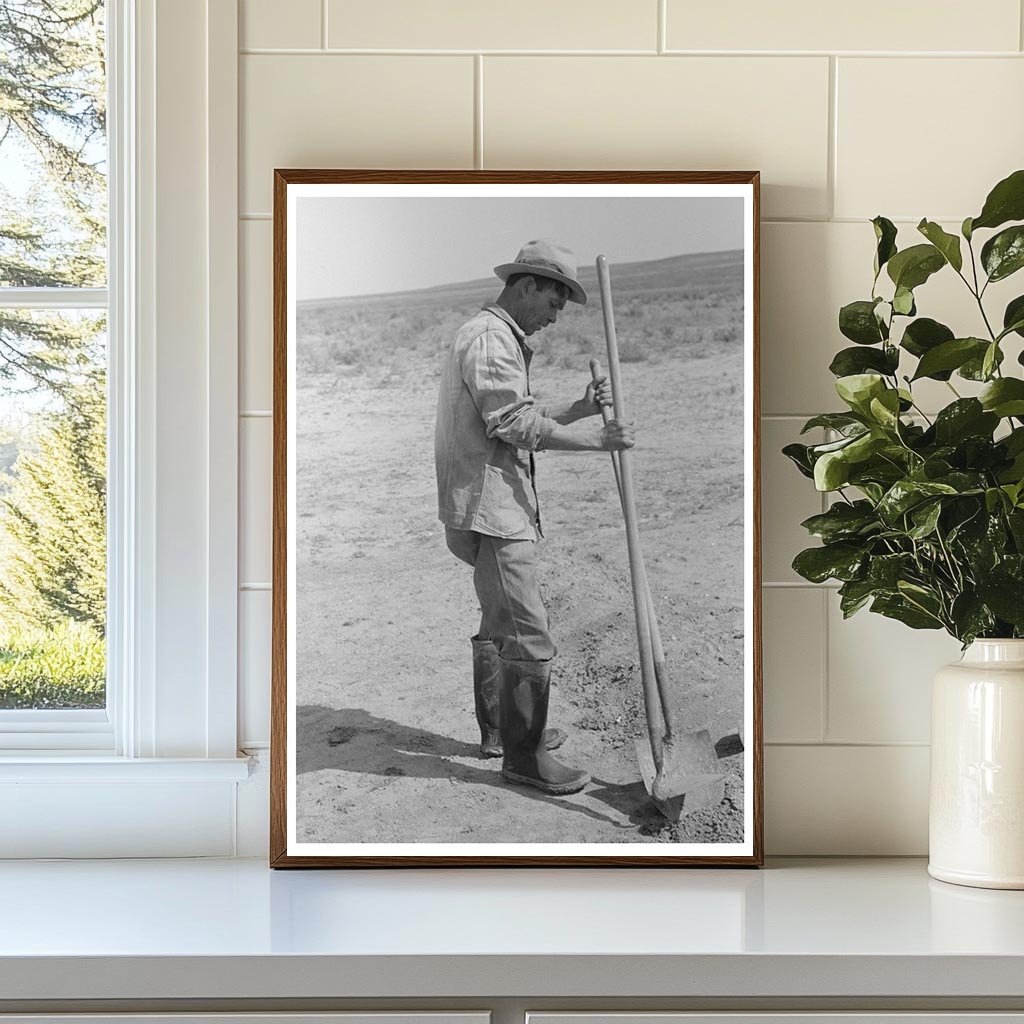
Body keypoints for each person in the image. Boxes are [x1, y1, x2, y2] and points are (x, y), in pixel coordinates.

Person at [434, 239, 636, 796]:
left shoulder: (495, 336)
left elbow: (515, 411)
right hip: (492, 510)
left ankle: (506, 734)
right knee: (528, 633)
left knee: (501, 621)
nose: (553, 318)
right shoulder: (491, 339)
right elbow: (514, 424)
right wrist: (597, 440)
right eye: (553, 304)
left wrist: (579, 409)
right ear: (528, 287)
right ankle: (524, 758)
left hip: (485, 503)